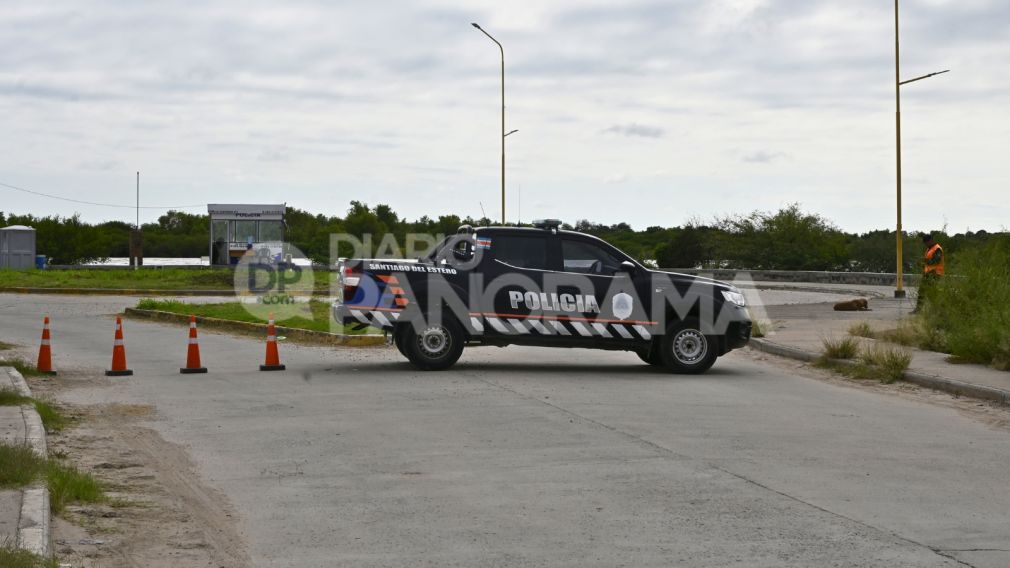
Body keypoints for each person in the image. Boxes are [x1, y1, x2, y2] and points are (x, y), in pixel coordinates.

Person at [914, 233, 944, 313]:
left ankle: (937, 310)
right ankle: (919, 310)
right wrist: (921, 263)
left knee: (931, 292)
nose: (926, 244)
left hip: (935, 274)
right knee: (922, 291)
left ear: (931, 240)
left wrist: (923, 260)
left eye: (926, 242)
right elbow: (928, 263)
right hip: (928, 273)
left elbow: (935, 261)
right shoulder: (929, 249)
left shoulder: (937, 249)